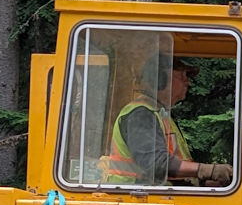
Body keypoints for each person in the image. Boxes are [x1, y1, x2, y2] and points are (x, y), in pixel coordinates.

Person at [98, 60, 233, 186]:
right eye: (183, 76)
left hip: (155, 197)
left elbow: (171, 173)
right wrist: (206, 170)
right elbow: (156, 163)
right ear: (159, 79)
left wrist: (203, 183)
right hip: (137, 198)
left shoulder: (160, 114)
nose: (188, 82)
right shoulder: (141, 115)